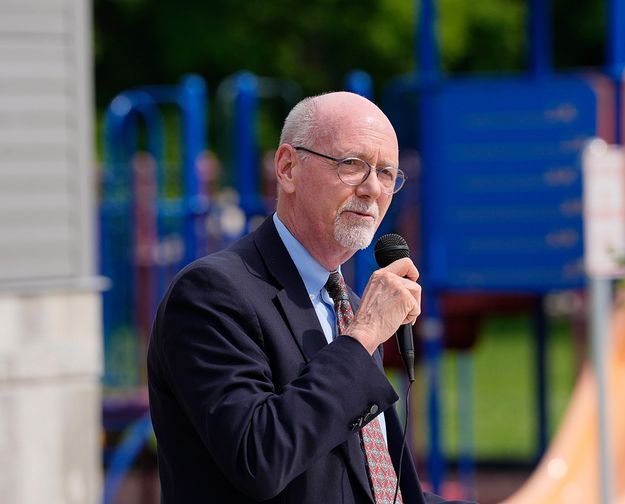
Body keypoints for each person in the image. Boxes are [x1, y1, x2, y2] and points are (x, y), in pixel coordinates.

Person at [147, 92, 474, 504]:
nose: (373, 188)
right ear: (287, 168)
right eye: (352, 164)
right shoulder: (211, 293)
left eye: (388, 173)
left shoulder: (347, 306)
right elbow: (260, 458)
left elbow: (370, 486)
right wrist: (365, 335)